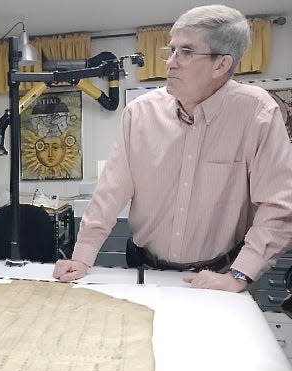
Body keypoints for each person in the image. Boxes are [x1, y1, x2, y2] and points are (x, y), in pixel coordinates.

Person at [54, 5, 292, 292]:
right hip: (144, 267)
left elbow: (277, 206)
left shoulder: (257, 112)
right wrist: (81, 257)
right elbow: (110, 193)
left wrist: (239, 276)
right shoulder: (140, 113)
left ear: (221, 65)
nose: (170, 62)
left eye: (187, 52)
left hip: (220, 275)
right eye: (172, 50)